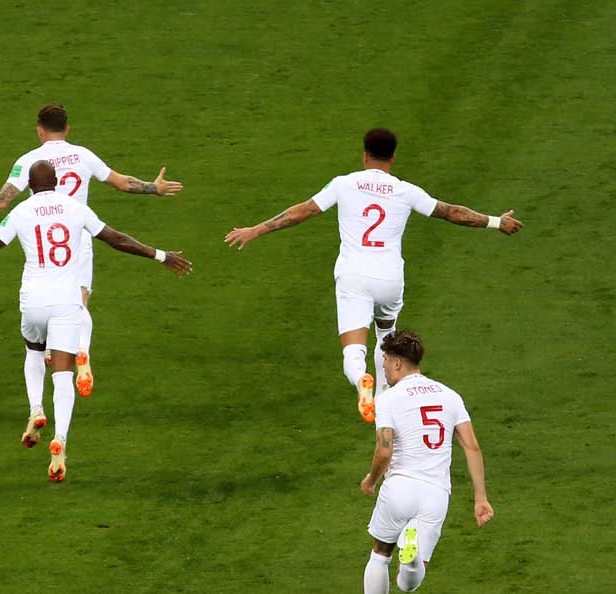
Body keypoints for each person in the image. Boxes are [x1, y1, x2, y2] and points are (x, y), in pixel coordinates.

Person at [223, 128, 523, 422]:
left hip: (354, 277)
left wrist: (257, 229)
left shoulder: (344, 184)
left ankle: (361, 382)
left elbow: (303, 211)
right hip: (390, 280)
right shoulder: (407, 190)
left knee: (354, 350)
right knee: (385, 337)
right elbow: (451, 212)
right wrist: (496, 222)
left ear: (364, 155)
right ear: (393, 157)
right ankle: (383, 402)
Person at [0, 161, 191, 481]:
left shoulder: (20, 212)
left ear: (31, 185)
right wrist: (160, 255)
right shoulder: (74, 207)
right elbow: (116, 239)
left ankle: (36, 409)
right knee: (63, 373)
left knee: (34, 352)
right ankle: (60, 439)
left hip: (33, 302)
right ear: (58, 182)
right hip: (66, 302)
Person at [0, 103, 182, 397]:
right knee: (78, 302)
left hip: (41, 237)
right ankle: (81, 351)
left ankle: (53, 354)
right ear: (68, 128)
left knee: (45, 298)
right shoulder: (83, 155)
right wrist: (154, 187)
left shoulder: (29, 160)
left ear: (39, 130)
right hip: (80, 235)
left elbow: (2, 201)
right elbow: (123, 183)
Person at [352, 330, 493, 594]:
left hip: (399, 487)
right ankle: (413, 560)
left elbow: (384, 452)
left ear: (398, 362)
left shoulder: (387, 399)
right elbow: (472, 447)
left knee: (379, 553)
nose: (384, 368)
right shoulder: (450, 396)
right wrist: (480, 498)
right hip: (435, 494)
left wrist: (371, 480)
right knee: (410, 584)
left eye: (386, 361)